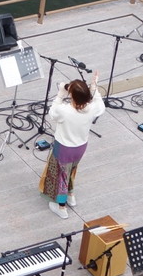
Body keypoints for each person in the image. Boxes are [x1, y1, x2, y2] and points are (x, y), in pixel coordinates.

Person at [43, 72, 103, 219]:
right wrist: (94, 87)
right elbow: (99, 102)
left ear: (73, 97)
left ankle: (61, 207)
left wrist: (60, 95)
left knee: (62, 176)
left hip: (64, 147)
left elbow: (52, 113)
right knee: (72, 170)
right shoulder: (94, 108)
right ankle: (71, 195)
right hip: (81, 147)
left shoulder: (65, 111)